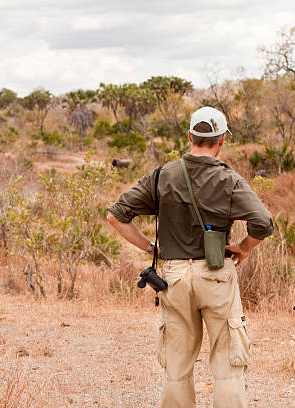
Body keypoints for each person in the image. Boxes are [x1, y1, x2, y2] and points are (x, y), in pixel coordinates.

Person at [107, 107, 273, 408]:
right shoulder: (229, 179)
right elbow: (263, 222)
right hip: (216, 275)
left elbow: (116, 216)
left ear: (189, 136)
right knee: (227, 367)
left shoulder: (162, 175)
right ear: (221, 140)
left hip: (173, 276)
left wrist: (150, 249)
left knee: (177, 367)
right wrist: (245, 247)